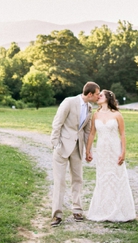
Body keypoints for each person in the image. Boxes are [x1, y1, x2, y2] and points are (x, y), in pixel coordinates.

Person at [50, 81, 101, 227]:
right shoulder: (69, 102)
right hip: (62, 147)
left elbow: (86, 131)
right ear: (90, 94)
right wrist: (55, 144)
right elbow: (57, 123)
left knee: (78, 179)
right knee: (59, 181)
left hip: (77, 148)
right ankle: (57, 214)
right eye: (97, 94)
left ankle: (77, 210)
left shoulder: (89, 107)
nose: (98, 96)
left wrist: (88, 150)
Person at [85, 89, 136, 222]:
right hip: (102, 150)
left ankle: (119, 209)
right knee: (103, 177)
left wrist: (123, 152)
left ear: (108, 98)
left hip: (114, 149)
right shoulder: (95, 115)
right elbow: (92, 134)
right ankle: (103, 209)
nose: (98, 97)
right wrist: (88, 150)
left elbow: (123, 134)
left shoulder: (117, 114)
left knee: (117, 177)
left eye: (101, 95)